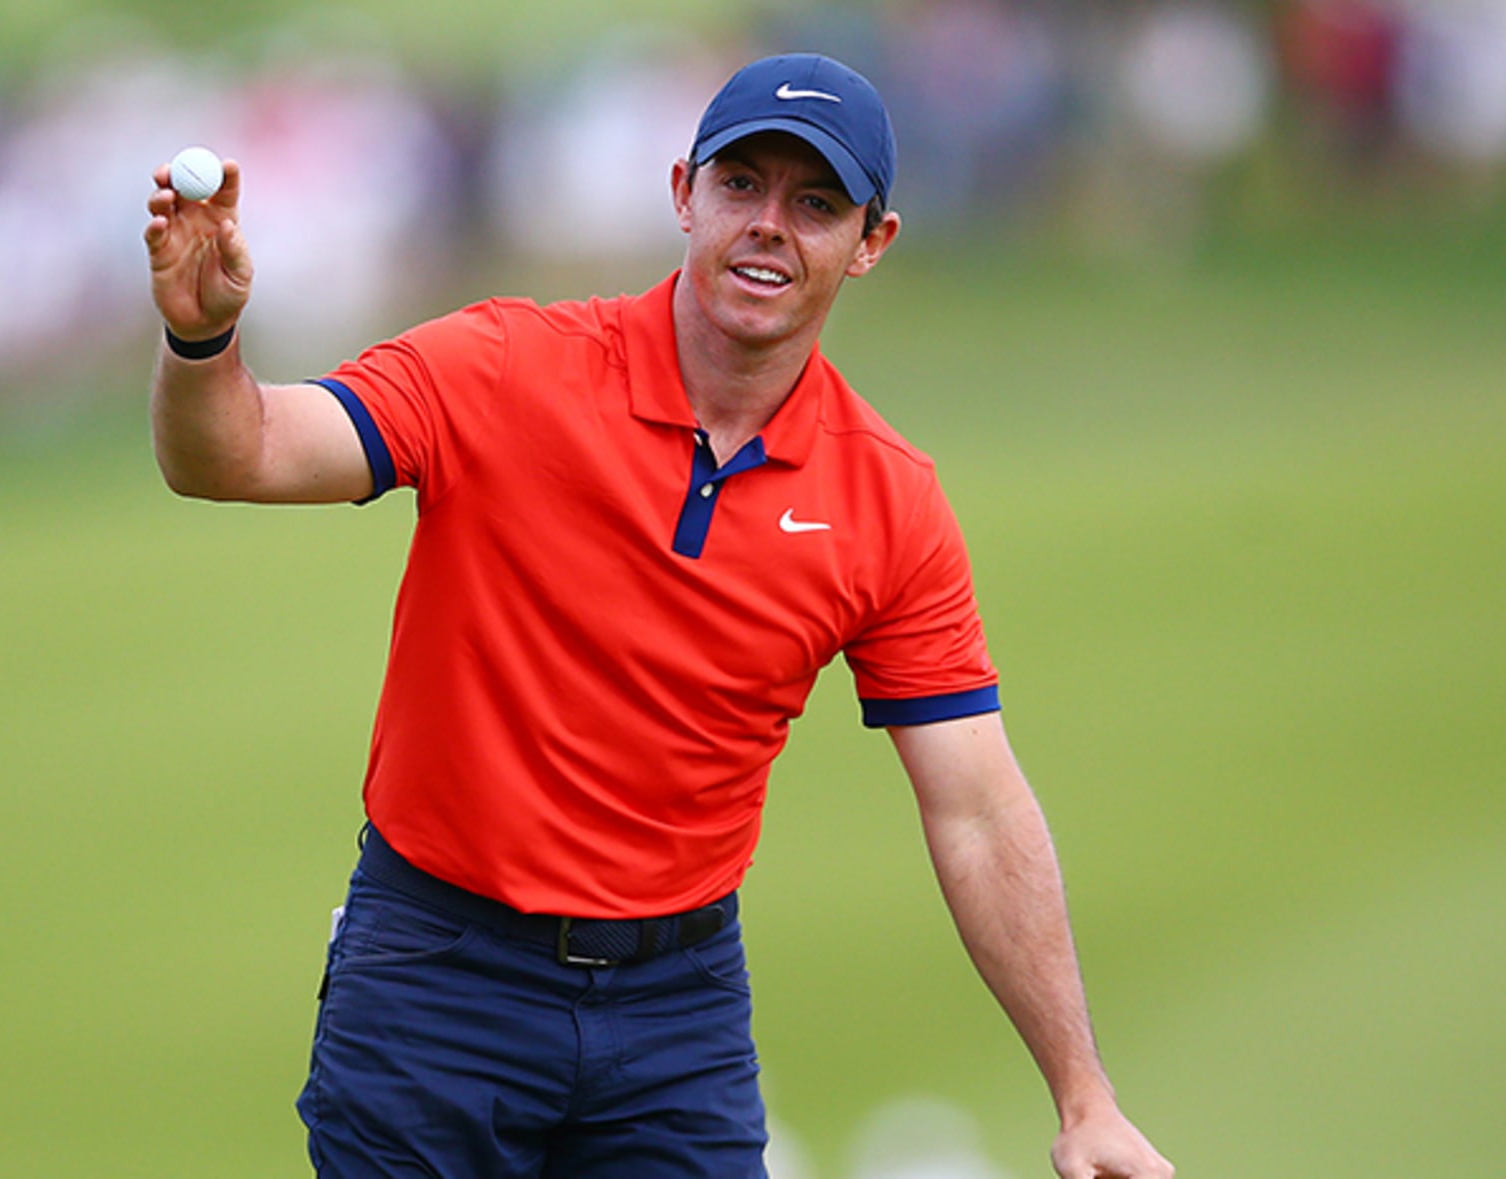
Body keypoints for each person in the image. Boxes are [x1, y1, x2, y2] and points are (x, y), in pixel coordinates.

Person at [144, 52, 1173, 1179]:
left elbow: (975, 808)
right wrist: (202, 342)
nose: (768, 225)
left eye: (815, 203)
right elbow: (238, 454)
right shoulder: (503, 367)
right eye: (742, 185)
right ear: (685, 193)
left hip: (675, 1009)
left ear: (870, 242)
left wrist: (1084, 1095)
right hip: (437, 975)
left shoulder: (889, 501)